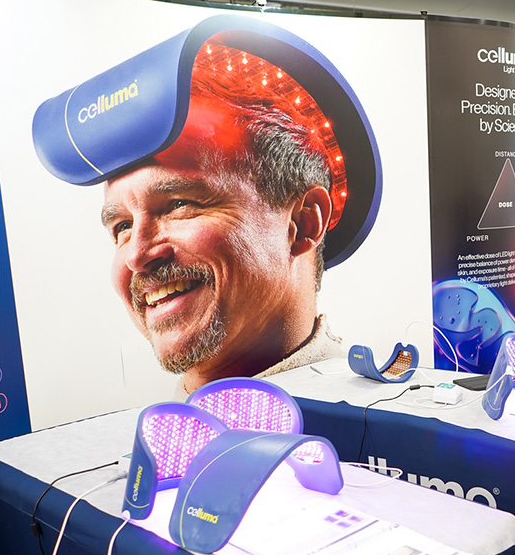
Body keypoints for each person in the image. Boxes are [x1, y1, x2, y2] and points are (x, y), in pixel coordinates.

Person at [100, 48, 347, 395]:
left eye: (179, 205)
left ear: (303, 222)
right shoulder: (140, 429)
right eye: (122, 226)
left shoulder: (390, 425)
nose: (137, 256)